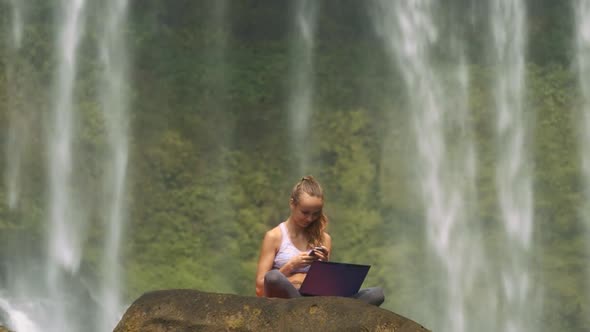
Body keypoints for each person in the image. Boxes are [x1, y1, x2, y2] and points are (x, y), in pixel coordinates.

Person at [255, 175, 384, 306]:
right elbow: (260, 288)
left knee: (376, 294)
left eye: (315, 213)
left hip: (319, 299)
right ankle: (317, 312)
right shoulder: (274, 236)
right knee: (273, 277)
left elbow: (326, 286)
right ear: (292, 204)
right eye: (305, 212)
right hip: (290, 298)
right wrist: (291, 266)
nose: (310, 219)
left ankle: (321, 312)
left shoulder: (324, 238)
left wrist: (324, 268)